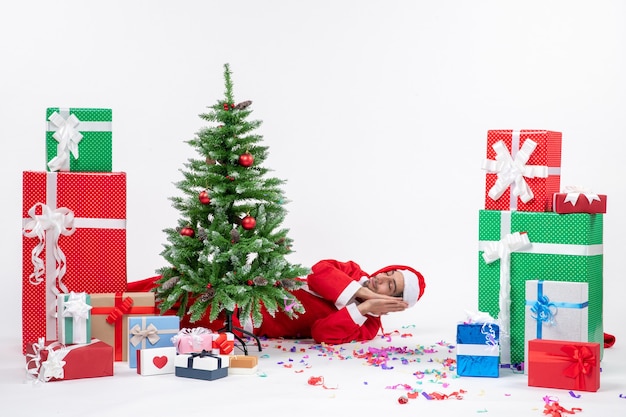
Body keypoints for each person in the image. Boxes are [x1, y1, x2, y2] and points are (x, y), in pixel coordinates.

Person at [127, 259, 426, 345]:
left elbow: (323, 332)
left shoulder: (367, 326)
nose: (382, 278)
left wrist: (363, 309)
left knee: (184, 314)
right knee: (172, 286)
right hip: (248, 282)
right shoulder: (352, 272)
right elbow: (319, 275)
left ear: (396, 302)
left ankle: (112, 322)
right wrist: (365, 293)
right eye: (389, 272)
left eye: (391, 285)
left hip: (250, 316)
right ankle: (105, 297)